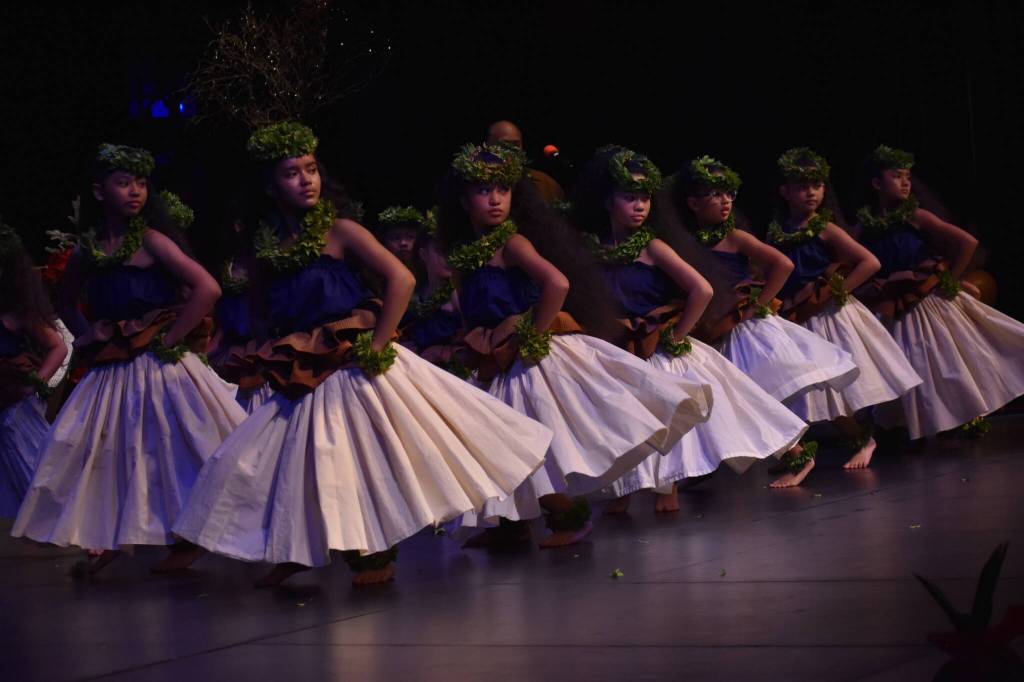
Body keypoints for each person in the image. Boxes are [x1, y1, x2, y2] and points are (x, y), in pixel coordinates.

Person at [171, 123, 552, 587]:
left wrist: (376, 345)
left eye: (311, 169)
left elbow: (401, 279)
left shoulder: (340, 231)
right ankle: (300, 546)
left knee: (360, 463)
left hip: (352, 367)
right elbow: (264, 309)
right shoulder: (265, 249)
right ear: (270, 187)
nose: (306, 180)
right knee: (269, 462)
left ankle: (372, 558)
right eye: (292, 173)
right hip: (303, 369)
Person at [437, 142, 711, 545]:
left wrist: (532, 334)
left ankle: (569, 517)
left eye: (503, 189)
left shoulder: (513, 244)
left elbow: (557, 284)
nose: (495, 199)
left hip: (531, 361)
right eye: (483, 190)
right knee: (491, 443)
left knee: (527, 445)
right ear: (463, 201)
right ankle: (514, 525)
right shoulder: (464, 255)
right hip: (494, 360)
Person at [12, 144, 246, 574]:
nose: (136, 191)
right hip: (113, 368)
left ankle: (190, 534)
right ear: (99, 192)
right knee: (106, 451)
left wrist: (170, 338)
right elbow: (65, 304)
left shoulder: (153, 241)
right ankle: (109, 535)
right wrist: (89, 335)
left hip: (160, 366)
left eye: (141, 183)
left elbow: (207, 288)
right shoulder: (86, 252)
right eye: (124, 183)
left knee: (176, 448)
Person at [570, 146, 806, 513]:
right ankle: (624, 489)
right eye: (630, 197)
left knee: (688, 414)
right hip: (623, 348)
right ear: (606, 202)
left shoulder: (653, 246)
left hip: (660, 347)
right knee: (624, 419)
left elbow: (702, 290)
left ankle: (668, 487)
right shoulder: (596, 250)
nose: (640, 206)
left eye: (645, 198)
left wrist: (677, 335)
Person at [665, 155, 859, 488]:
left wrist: (759, 304)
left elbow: (783, 265)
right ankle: (709, 463)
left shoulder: (735, 237)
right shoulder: (688, 243)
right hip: (717, 333)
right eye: (716, 194)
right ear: (693, 203)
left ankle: (811, 451)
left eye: (729, 194)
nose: (726, 201)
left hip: (746, 332)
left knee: (749, 400)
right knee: (728, 402)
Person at [854, 145, 1024, 439]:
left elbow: (967, 243)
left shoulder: (916, 216)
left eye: (908, 177)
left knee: (942, 360)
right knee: (905, 363)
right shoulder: (865, 226)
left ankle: (956, 416)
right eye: (897, 176)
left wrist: (950, 281)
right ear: (877, 184)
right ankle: (908, 422)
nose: (906, 182)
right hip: (892, 305)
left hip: (926, 300)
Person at [767, 147, 921, 469]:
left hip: (829, 317)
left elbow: (869, 263)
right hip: (798, 319)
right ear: (784, 191)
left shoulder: (826, 228)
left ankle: (864, 440)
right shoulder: (778, 233)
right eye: (802, 187)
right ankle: (804, 451)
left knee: (828, 388)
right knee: (803, 388)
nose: (812, 193)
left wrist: (836, 292)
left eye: (817, 185)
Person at [0, 224, 67, 518]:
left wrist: (35, 384)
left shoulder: (14, 311)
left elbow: (58, 347)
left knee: (38, 479)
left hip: (13, 407)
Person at [485, 119, 565, 203]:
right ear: (488, 146)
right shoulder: (479, 183)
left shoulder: (545, 184)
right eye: (505, 145)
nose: (512, 150)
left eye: (516, 145)